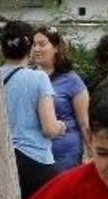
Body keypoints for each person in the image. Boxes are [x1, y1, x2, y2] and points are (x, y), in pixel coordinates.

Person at [0, 20, 65, 199]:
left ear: (2, 48)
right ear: (30, 48)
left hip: (2, 159)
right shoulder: (38, 78)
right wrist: (61, 127)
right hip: (35, 159)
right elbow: (49, 128)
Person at [32, 25, 89, 171]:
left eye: (42, 44)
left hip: (65, 153)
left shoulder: (72, 80)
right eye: (34, 44)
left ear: (56, 47)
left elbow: (84, 122)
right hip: (33, 152)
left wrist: (92, 152)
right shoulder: (29, 77)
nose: (36, 49)